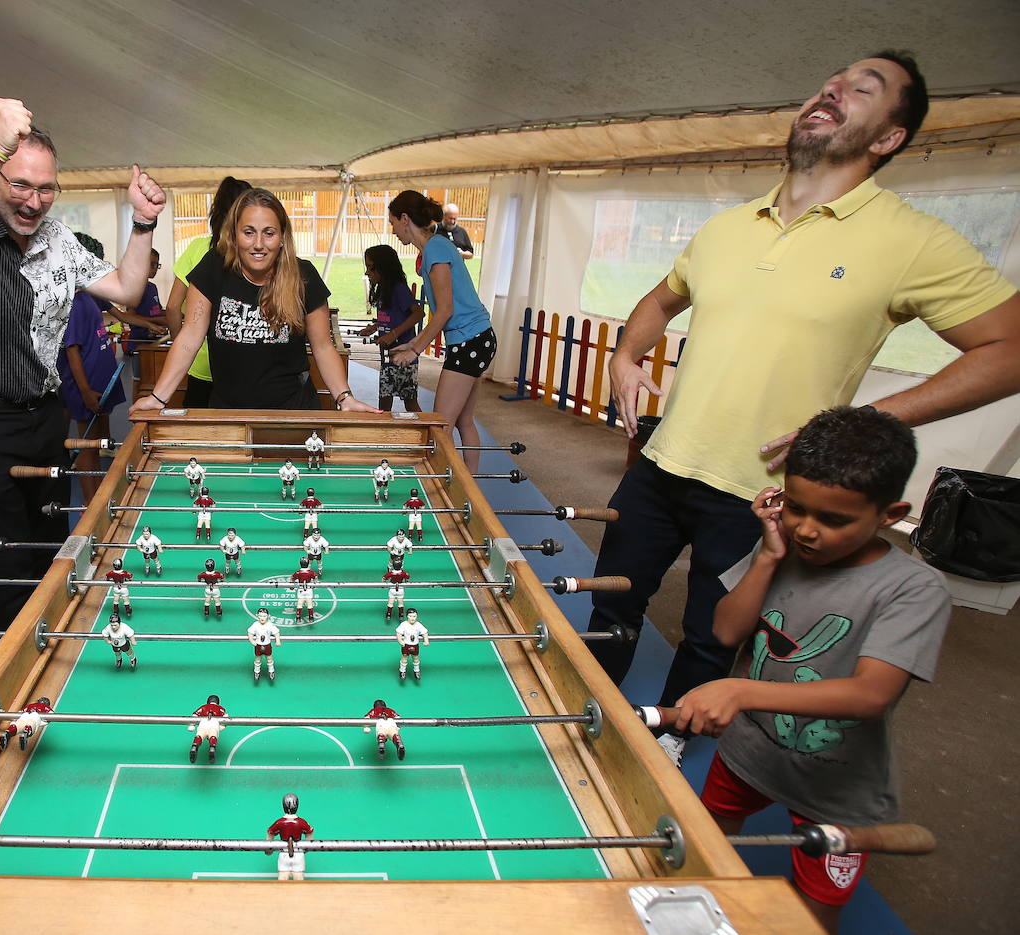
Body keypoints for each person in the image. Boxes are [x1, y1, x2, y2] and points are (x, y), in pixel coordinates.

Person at [588, 52, 1020, 766]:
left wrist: (871, 423)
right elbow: (662, 298)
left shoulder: (912, 240)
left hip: (761, 494)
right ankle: (581, 709)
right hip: (661, 465)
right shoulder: (727, 227)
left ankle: (668, 742)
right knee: (613, 604)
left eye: (862, 90)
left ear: (889, 137)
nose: (833, 90)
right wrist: (626, 356)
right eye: (831, 82)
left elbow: (1008, 348)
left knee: (712, 637)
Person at [673, 407, 948, 931]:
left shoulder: (914, 589)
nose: (807, 531)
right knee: (706, 851)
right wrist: (768, 558)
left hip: (837, 780)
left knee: (815, 911)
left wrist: (741, 691)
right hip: (749, 750)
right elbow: (726, 631)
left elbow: (871, 695)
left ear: (890, 514)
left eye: (834, 520)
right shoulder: (781, 546)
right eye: (795, 508)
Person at [0, 97, 166, 631]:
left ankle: (56, 655)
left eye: (46, 188)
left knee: (52, 547)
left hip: (43, 414)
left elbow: (126, 288)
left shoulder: (58, 238)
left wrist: (143, 222)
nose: (33, 202)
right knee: (6, 561)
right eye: (20, 184)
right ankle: (20, 678)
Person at [131, 188, 377, 414]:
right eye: (248, 233)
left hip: (292, 411)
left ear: (282, 237)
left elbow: (323, 346)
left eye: (269, 233)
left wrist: (344, 398)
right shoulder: (213, 268)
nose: (258, 244)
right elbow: (190, 337)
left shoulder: (304, 276)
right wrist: (158, 397)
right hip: (228, 413)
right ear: (234, 235)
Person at [387, 191, 497, 473]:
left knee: (440, 428)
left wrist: (415, 350)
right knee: (464, 421)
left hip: (470, 340)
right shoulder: (436, 247)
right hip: (478, 338)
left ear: (404, 219)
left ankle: (447, 487)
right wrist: (412, 342)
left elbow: (445, 310)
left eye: (393, 223)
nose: (393, 230)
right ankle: (470, 484)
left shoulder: (435, 248)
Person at [163, 176, 252, 408]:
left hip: (200, 362)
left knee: (199, 427)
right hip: (246, 365)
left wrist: (180, 345)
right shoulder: (256, 254)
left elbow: (172, 307)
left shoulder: (197, 249)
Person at [57, 232, 129, 504]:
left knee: (96, 443)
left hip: (98, 382)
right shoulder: (74, 303)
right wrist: (86, 392)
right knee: (87, 447)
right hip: (83, 387)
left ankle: (99, 496)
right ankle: (90, 504)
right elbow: (72, 349)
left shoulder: (89, 297)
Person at [357, 245, 424, 413]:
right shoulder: (384, 289)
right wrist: (376, 327)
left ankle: (428, 428)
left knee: (409, 403)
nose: (367, 272)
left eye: (370, 267)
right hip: (388, 357)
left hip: (403, 358)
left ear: (383, 267)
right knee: (385, 401)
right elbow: (392, 317)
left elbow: (418, 314)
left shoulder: (398, 288)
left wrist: (393, 334)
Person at [122, 248, 169, 354]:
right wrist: (157, 321)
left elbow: (157, 311)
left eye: (157, 265)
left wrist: (175, 313)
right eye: (152, 264)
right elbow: (130, 316)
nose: (155, 269)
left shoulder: (152, 287)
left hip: (153, 342)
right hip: (139, 345)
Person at [266, 793, 314, 881]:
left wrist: (269, 850)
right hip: (298, 853)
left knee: (282, 878)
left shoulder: (279, 822)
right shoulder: (301, 822)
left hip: (284, 853)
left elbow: (270, 834)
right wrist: (304, 849)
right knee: (299, 878)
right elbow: (310, 837)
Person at [189, 694, 227, 763]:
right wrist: (222, 726)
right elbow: (225, 718)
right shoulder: (220, 708)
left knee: (200, 735)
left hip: (203, 722)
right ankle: (212, 747)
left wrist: (192, 725)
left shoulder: (203, 707)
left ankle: (194, 746)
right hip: (214, 723)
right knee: (213, 735)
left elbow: (195, 715)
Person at [248, 607, 282, 682]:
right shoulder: (255, 624)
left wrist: (278, 641)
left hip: (267, 645)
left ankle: (271, 671)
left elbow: (276, 632)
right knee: (257, 659)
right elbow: (250, 633)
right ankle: (256, 672)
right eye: (260, 616)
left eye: (264, 616)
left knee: (269, 658)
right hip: (258, 645)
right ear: (257, 615)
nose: (262, 618)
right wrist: (252, 641)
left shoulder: (270, 625)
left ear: (268, 616)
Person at [396, 608, 430, 680]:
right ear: (407, 616)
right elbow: (398, 633)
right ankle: (402, 671)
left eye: (414, 616)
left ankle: (416, 671)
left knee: (416, 658)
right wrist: (400, 641)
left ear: (416, 616)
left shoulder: (418, 625)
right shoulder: (404, 624)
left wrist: (426, 640)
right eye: (410, 616)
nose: (412, 618)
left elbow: (425, 632)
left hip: (415, 645)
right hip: (406, 645)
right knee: (404, 658)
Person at [291, 555, 320, 622]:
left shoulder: (298, 572)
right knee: (309, 602)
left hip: (301, 589)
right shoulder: (311, 572)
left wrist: (292, 583)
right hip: (309, 589)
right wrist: (315, 582)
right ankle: (311, 617)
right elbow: (315, 577)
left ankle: (298, 617)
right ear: (308, 564)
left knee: (300, 602)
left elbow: (292, 577)